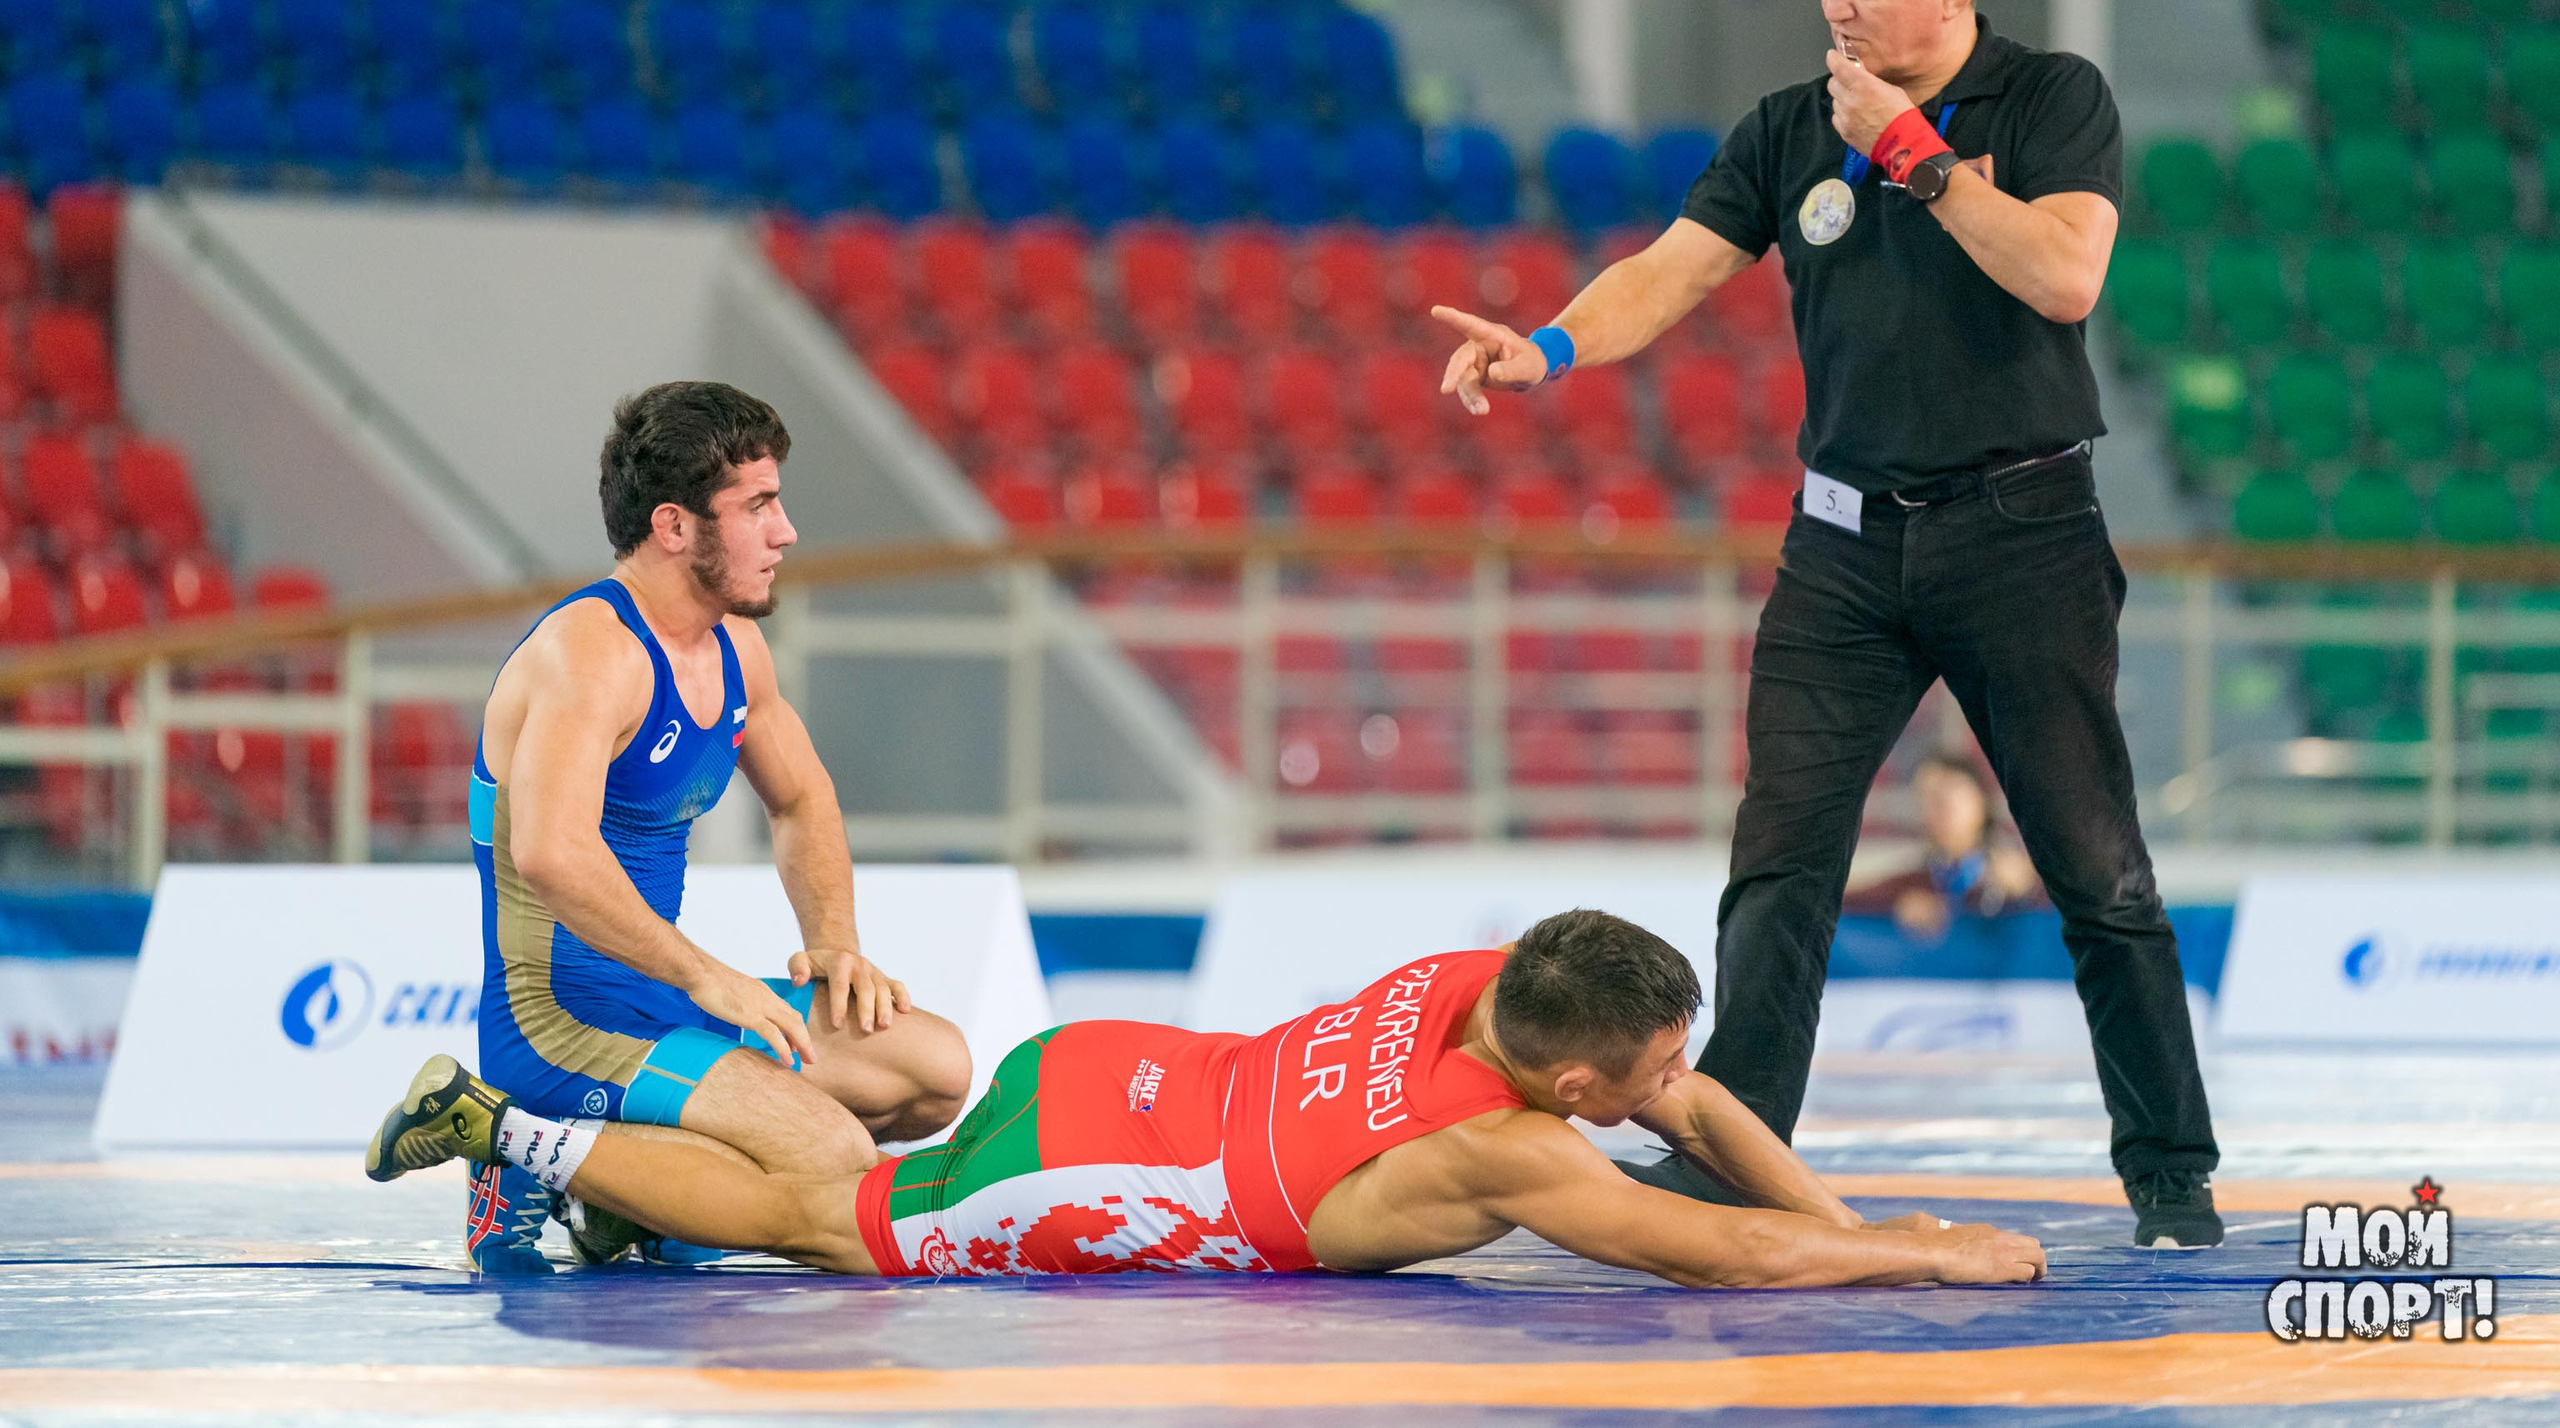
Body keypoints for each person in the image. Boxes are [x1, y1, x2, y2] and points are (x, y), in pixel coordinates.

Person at [1430, 0, 2222, 1247]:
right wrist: (1547, 343)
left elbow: (2065, 273)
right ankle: (1739, 1151)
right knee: (1780, 855)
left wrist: (1914, 154)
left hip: (2021, 532)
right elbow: (1671, 269)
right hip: (1844, 542)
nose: (1832, 3)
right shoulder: (1794, 124)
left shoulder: (2049, 100)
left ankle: (2171, 1173)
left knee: (2094, 867)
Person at [368, 909, 2047, 1289]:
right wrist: (1917, 1249)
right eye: (1652, 1073)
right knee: (836, 1221)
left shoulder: (1502, 974)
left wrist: (1843, 1209)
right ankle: (512, 1127)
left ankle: (606, 1168)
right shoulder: (1512, 1147)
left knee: (862, 1170)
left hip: (1125, 1065)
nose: (1676, 1093)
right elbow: (1726, 1255)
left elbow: (1710, 1119)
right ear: (1576, 1077)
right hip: (1111, 1160)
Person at [460, 381, 971, 1273]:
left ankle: (623, 1205)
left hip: (660, 1004)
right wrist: (709, 975)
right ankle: (516, 1137)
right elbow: (551, 851)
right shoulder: (591, 655)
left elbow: (802, 799)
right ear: (674, 527)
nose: (786, 531)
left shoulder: (734, 646)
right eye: (759, 506)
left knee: (935, 1071)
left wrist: (836, 944)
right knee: (833, 1159)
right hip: (558, 1022)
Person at [1842, 750, 2047, 941]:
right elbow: (1846, 898)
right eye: (1926, 797)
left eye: (1947, 791)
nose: (1938, 805)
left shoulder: (2028, 872)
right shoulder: (1916, 883)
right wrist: (1895, 906)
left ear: (1981, 798)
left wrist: (2031, 890)